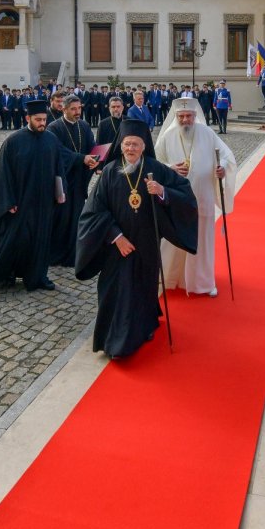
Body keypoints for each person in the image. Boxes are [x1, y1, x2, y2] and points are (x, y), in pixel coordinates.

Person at [75, 118, 198, 359]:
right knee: (115, 290)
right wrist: (116, 236)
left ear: (144, 147)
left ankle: (142, 329)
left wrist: (162, 191)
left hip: (146, 244)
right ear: (120, 145)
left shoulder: (155, 169)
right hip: (116, 247)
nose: (131, 149)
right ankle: (115, 341)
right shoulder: (109, 172)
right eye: (127, 144)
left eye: (136, 145)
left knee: (143, 289)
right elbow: (94, 211)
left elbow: (185, 194)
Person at [0, 100, 65, 291]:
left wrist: (60, 192)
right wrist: (8, 201)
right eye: (38, 120)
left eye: (44, 119)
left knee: (40, 241)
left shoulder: (51, 139)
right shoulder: (13, 141)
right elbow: (3, 174)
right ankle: (4, 275)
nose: (42, 123)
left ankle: (38, 277)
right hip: (19, 203)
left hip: (44, 203)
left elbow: (58, 168)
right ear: (28, 118)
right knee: (14, 240)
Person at [155, 98, 237, 296]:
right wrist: (171, 168)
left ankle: (202, 282)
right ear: (176, 117)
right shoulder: (167, 136)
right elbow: (155, 163)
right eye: (181, 116)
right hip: (177, 199)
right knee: (174, 239)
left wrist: (222, 168)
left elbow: (227, 155)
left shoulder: (207, 133)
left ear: (195, 116)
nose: (185, 120)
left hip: (203, 196)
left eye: (189, 116)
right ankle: (171, 278)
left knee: (202, 241)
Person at [47, 95, 98, 267]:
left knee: (77, 216)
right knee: (62, 219)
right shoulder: (54, 128)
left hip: (79, 180)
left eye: (79, 108)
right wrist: (81, 158)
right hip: (63, 180)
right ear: (64, 109)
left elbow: (92, 145)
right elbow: (57, 151)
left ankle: (74, 253)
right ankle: (56, 254)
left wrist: (97, 158)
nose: (78, 112)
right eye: (73, 109)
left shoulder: (83, 125)